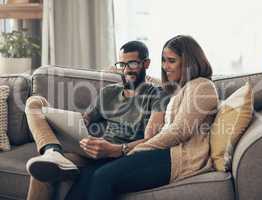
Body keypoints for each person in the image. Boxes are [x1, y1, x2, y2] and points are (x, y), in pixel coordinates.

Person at [65, 35, 219, 200]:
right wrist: (119, 70)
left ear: (189, 62)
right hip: (162, 152)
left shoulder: (202, 86)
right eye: (163, 60)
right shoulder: (180, 89)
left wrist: (127, 150)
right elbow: (148, 83)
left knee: (102, 176)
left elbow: (178, 132)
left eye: (171, 61)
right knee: (88, 174)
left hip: (178, 158)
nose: (165, 66)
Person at [25, 41, 170, 200]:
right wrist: (72, 123)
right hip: (93, 152)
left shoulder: (157, 95)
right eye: (122, 64)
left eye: (133, 63)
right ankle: (52, 151)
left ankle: (54, 153)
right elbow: (87, 118)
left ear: (146, 63)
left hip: (123, 157)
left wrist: (115, 149)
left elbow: (154, 140)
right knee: (34, 103)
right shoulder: (108, 92)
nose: (127, 70)